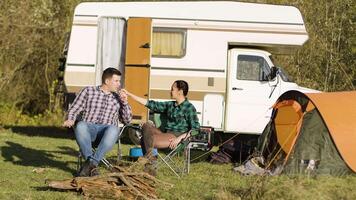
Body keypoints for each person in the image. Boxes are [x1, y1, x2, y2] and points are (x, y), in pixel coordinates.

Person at [63, 67, 132, 177]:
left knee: (114, 128)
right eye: (116, 81)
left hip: (107, 134)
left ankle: (91, 164)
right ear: (107, 81)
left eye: (119, 81)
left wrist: (124, 103)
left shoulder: (119, 98)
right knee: (80, 125)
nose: (119, 84)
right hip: (88, 131)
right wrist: (71, 119)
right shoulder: (88, 91)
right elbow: (74, 108)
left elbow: (128, 120)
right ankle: (92, 166)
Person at [122, 80, 200, 175]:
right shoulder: (170, 105)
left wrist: (179, 139)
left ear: (180, 91)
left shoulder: (189, 108)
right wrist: (129, 95)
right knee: (146, 125)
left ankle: (149, 166)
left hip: (176, 136)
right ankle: (150, 162)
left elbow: (195, 129)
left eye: (172, 89)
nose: (170, 91)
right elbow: (150, 104)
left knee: (145, 140)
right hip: (165, 133)